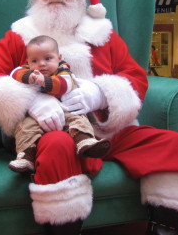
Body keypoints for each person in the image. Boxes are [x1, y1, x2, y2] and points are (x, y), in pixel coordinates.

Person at [0, 0, 178, 235]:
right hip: (54, 134)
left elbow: (135, 77)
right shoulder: (22, 35)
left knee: (174, 144)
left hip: (105, 132)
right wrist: (32, 102)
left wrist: (101, 93)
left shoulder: (103, 34)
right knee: (56, 146)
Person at [8, 35, 111, 173]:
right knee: (24, 127)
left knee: (78, 118)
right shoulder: (29, 70)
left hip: (66, 109)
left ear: (59, 57)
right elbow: (14, 73)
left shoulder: (63, 70)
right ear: (28, 61)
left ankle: (85, 141)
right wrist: (28, 76)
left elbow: (64, 85)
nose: (42, 64)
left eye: (48, 58)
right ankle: (26, 156)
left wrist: (44, 81)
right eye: (35, 60)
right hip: (37, 117)